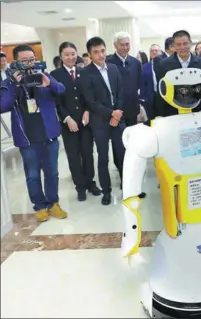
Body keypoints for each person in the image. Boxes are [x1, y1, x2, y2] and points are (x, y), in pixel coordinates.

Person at [0, 45, 68, 222]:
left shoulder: (43, 75)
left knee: (52, 172)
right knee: (32, 175)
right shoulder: (9, 82)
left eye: (32, 59)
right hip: (27, 139)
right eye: (25, 60)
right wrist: (15, 84)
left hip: (49, 135)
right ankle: (39, 206)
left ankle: (53, 203)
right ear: (16, 62)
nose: (29, 63)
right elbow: (4, 105)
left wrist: (49, 82)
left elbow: (61, 89)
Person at [50, 41, 101, 201]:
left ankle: (90, 182)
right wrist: (67, 118)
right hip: (68, 123)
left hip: (85, 122)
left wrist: (87, 111)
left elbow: (89, 95)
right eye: (66, 54)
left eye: (73, 54)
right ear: (61, 56)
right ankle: (80, 186)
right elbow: (57, 102)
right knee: (73, 155)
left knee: (87, 153)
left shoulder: (83, 71)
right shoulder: (55, 75)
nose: (70, 57)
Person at [80, 37, 126, 205]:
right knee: (103, 159)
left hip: (118, 119)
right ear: (90, 55)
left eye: (102, 50)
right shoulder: (85, 73)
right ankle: (106, 192)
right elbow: (91, 102)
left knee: (122, 155)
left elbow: (120, 93)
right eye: (96, 52)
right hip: (100, 122)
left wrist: (118, 113)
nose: (100, 55)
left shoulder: (113, 68)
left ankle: (127, 187)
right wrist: (111, 114)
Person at [154, 30, 201, 117]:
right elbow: (161, 93)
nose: (182, 47)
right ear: (174, 46)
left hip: (197, 112)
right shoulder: (164, 65)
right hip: (172, 113)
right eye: (178, 45)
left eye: (185, 43)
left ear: (190, 43)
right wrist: (161, 115)